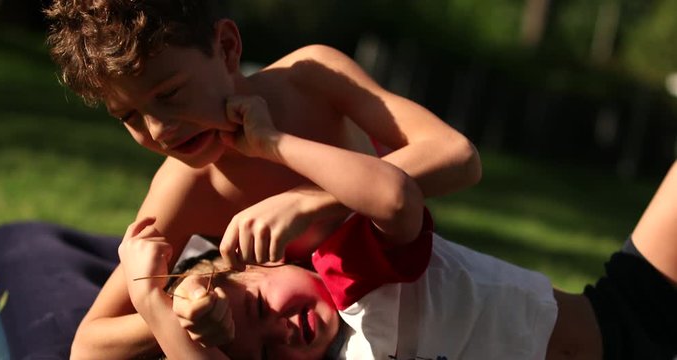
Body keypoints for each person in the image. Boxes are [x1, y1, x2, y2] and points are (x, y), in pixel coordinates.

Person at [42, 0, 481, 358]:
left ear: (228, 47)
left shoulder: (309, 81)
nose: (159, 130)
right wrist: (185, 310)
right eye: (130, 116)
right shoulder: (186, 187)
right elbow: (90, 346)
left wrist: (307, 200)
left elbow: (457, 156)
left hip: (429, 285)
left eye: (170, 94)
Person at [121, 95, 677, 359]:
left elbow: (395, 198)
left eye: (262, 309)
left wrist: (275, 149)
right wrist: (155, 311)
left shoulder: (349, 277)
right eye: (268, 357)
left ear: (267, 263)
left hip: (626, 318)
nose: (280, 333)